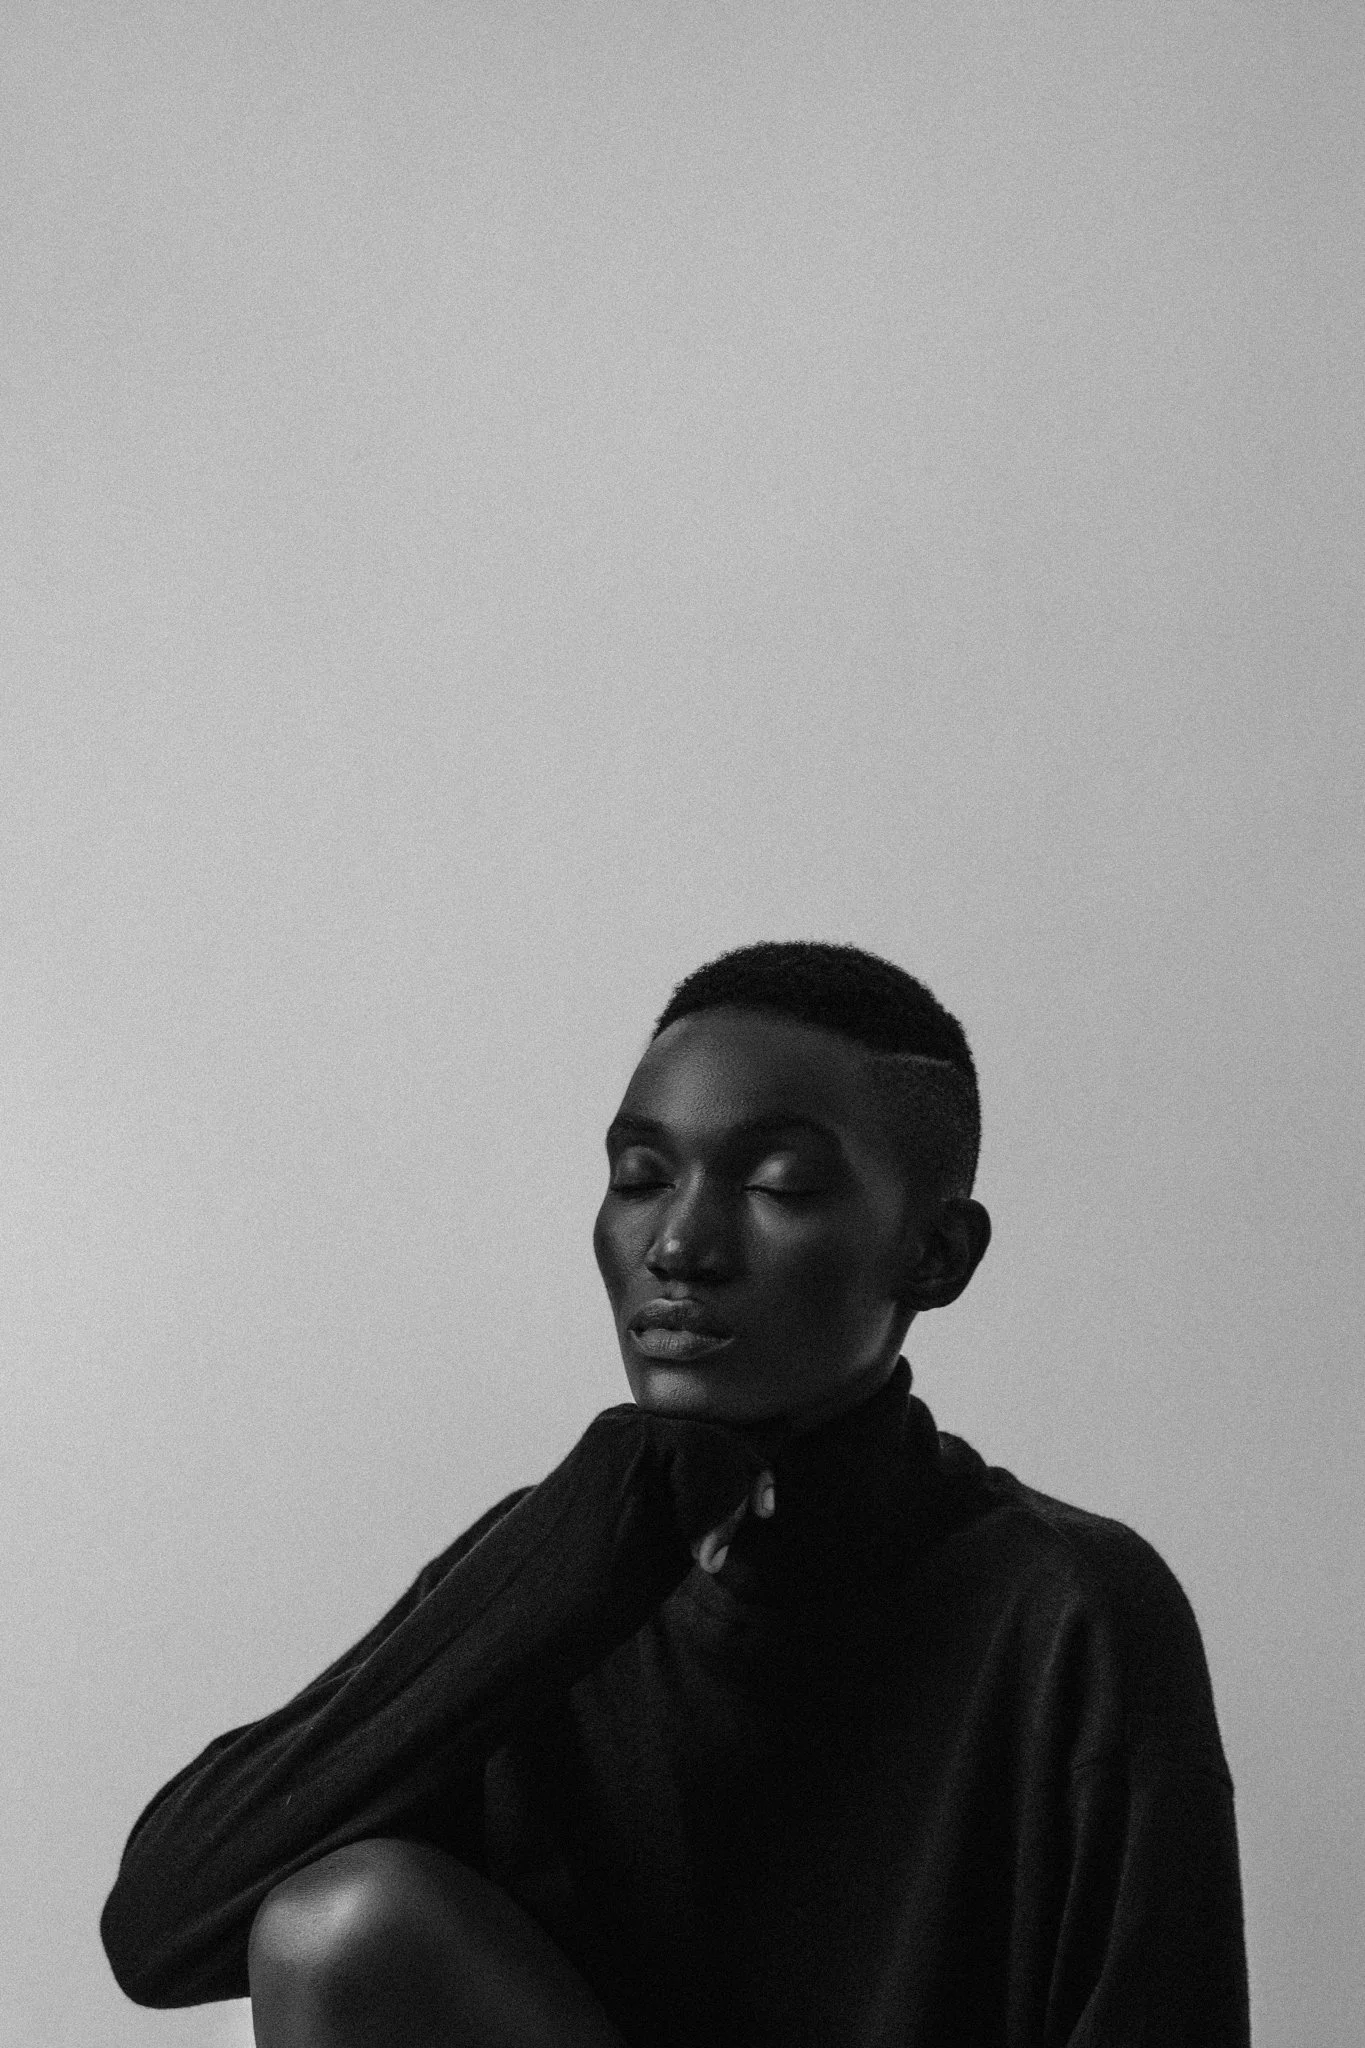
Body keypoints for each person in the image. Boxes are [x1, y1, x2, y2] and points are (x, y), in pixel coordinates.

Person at [100, 940, 1252, 2046]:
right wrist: (587, 1533)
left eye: (776, 1182)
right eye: (641, 1178)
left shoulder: (1069, 1609)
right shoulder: (562, 1556)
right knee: (342, 1924)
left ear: (936, 1254)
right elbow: (161, 1927)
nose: (680, 1243)